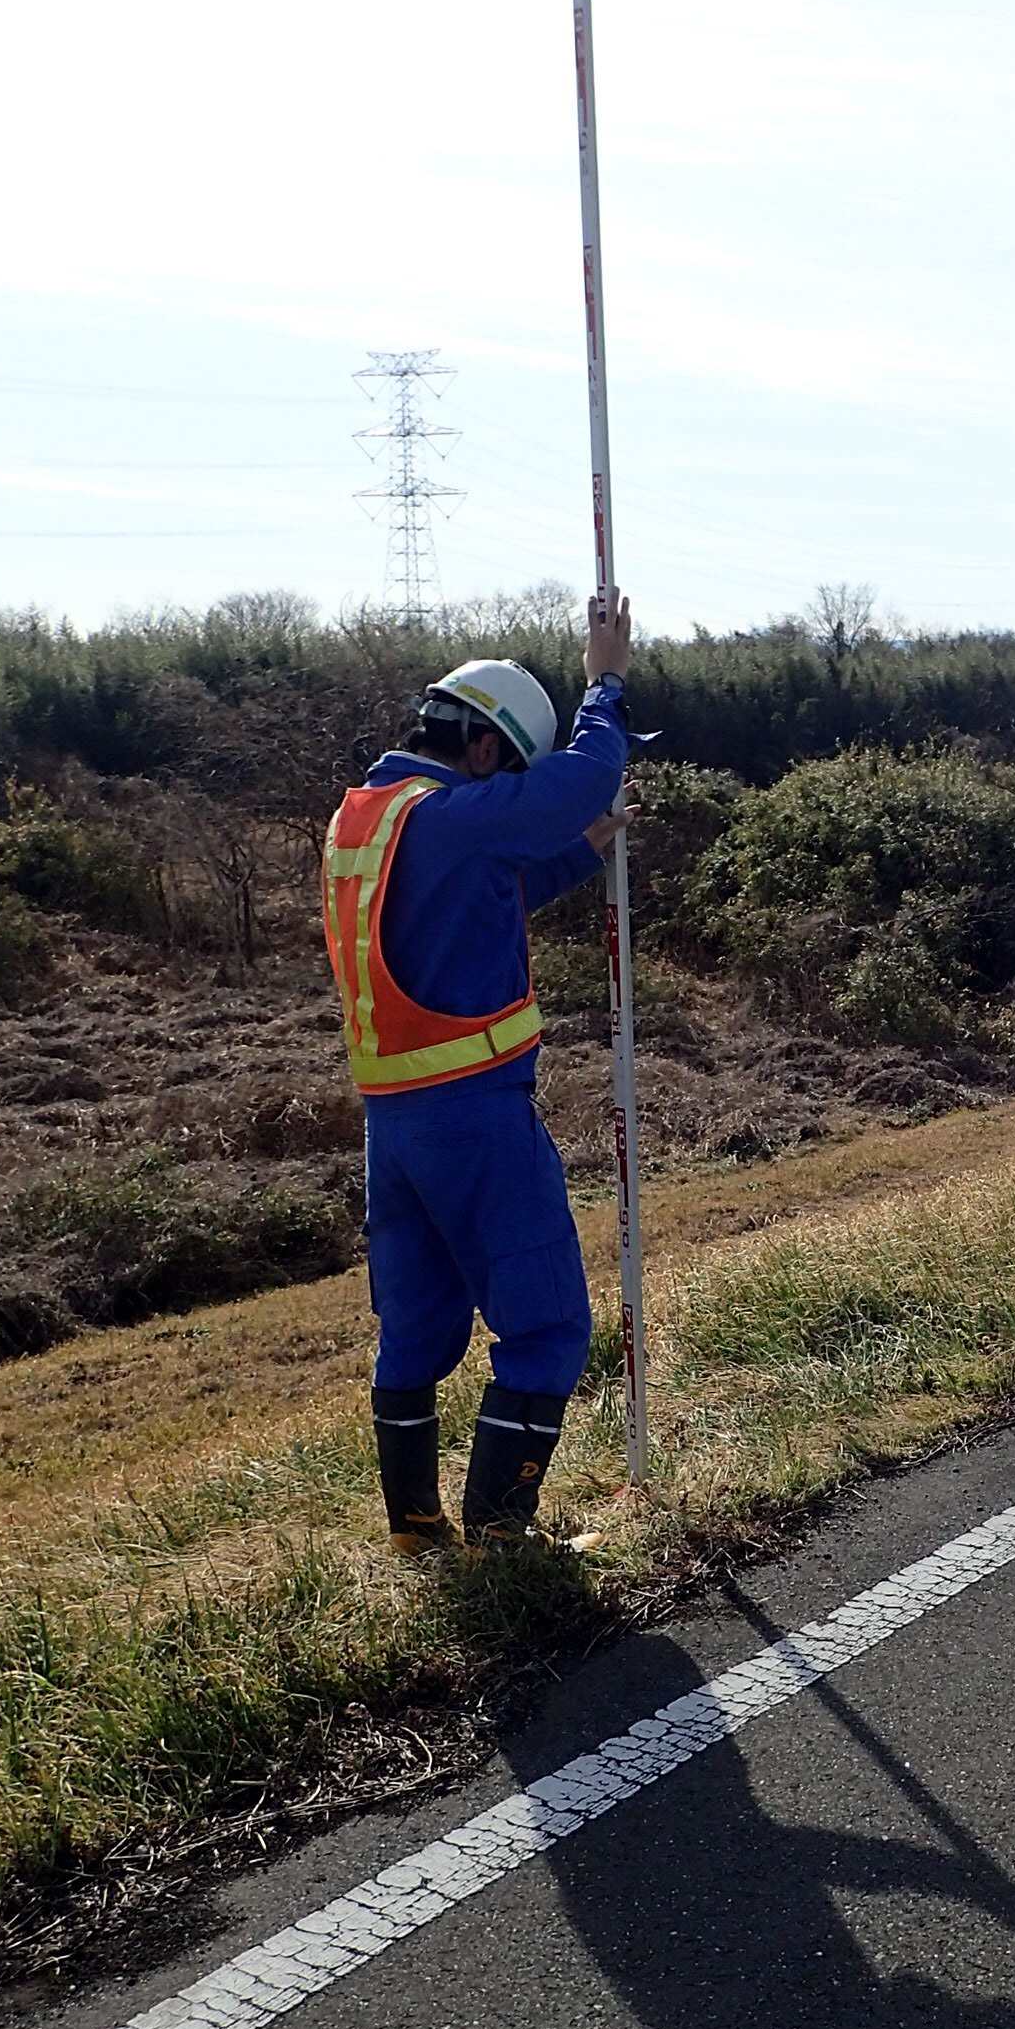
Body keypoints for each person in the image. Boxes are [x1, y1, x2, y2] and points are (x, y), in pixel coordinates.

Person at [321, 593, 634, 1550]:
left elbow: (487, 895)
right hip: (476, 1119)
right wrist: (604, 683)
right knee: (546, 1329)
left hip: (396, 1125)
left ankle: (418, 1528)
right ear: (491, 752)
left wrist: (583, 853)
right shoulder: (449, 818)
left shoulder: (369, 817)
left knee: (415, 1332)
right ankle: (503, 1535)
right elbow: (577, 783)